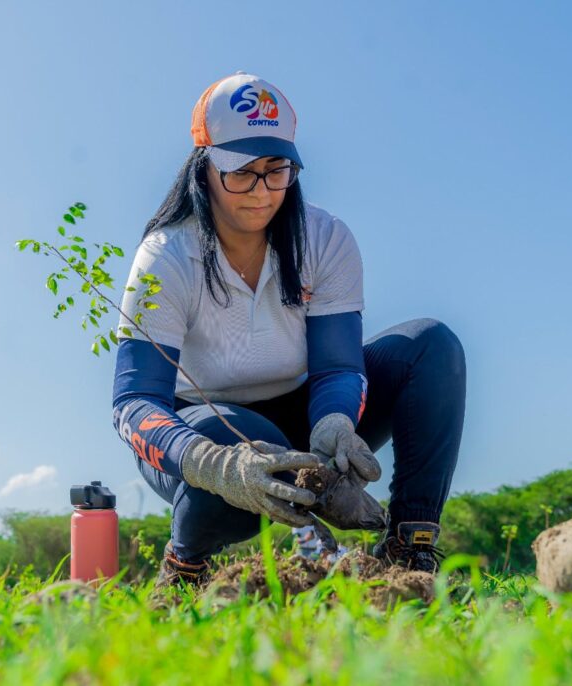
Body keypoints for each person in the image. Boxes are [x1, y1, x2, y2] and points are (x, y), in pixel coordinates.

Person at [112, 72, 466, 587]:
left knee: (431, 346)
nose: (261, 193)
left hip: (303, 409)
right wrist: (209, 462)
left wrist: (336, 423)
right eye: (241, 173)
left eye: (276, 171)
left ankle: (408, 552)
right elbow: (134, 402)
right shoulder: (168, 257)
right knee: (252, 445)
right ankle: (185, 567)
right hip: (204, 426)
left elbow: (338, 366)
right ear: (204, 168)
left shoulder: (325, 239)